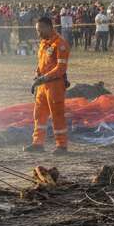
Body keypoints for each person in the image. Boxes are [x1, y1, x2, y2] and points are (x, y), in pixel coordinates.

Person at [25, 16, 70, 154]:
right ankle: (37, 143)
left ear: (49, 27)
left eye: (40, 30)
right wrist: (37, 76)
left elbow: (61, 68)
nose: (38, 33)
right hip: (42, 85)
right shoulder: (43, 43)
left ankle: (61, 145)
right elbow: (41, 63)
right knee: (39, 114)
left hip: (55, 85)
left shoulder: (60, 44)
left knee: (57, 115)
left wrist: (43, 78)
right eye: (37, 30)